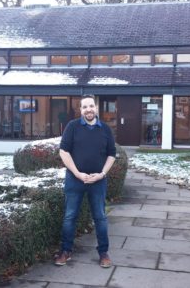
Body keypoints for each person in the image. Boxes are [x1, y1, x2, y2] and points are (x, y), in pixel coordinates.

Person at [55, 94, 116, 268]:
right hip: (75, 180)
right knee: (70, 217)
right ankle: (66, 251)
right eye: (84, 107)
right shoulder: (72, 127)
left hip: (98, 181)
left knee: (100, 217)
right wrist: (78, 173)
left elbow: (112, 154)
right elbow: (64, 152)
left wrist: (102, 174)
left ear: (95, 107)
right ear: (80, 110)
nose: (88, 109)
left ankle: (103, 253)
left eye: (91, 106)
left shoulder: (105, 129)